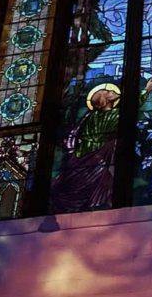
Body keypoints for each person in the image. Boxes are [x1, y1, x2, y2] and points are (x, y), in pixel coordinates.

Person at [50, 83, 120, 212]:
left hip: (86, 153)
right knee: (94, 175)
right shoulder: (113, 115)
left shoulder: (89, 116)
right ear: (103, 100)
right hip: (94, 154)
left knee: (101, 177)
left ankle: (96, 202)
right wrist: (146, 91)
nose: (112, 91)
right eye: (107, 92)